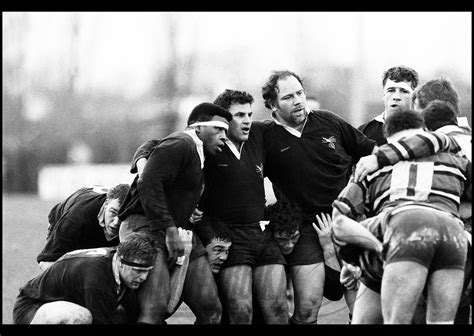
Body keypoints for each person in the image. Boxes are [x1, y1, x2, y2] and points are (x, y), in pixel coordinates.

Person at [131, 90, 289, 324]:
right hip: (199, 232)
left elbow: (290, 128)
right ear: (210, 124)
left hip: (245, 231)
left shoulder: (251, 135)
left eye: (250, 114)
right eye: (238, 115)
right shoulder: (192, 143)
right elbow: (155, 149)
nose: (246, 120)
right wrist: (143, 163)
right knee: (235, 311)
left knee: (258, 309)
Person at [258, 69, 376, 324]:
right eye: (288, 97)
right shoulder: (264, 136)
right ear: (272, 105)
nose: (298, 100)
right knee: (308, 307)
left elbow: (372, 151)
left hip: (347, 220)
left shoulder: (330, 122)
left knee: (362, 310)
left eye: (300, 93)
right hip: (305, 227)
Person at [331, 109, 471, 324]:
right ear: (424, 130)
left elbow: (340, 216)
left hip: (402, 227)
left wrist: (350, 261)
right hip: (451, 232)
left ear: (387, 139)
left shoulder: (370, 164)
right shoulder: (453, 156)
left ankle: (372, 253)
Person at [117, 102, 232, 324]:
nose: (224, 137)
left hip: (178, 230)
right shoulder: (182, 142)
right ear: (198, 127)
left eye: (226, 131)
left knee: (211, 310)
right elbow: (149, 181)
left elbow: (153, 146)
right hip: (146, 227)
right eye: (218, 129)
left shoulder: (198, 151)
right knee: (155, 308)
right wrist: (169, 230)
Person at [13, 232, 157, 324]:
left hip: (61, 304)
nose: (143, 277)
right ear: (121, 260)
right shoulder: (97, 278)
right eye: (138, 270)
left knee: (120, 315)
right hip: (32, 308)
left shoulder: (118, 261)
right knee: (81, 317)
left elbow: (135, 314)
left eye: (147, 271)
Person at [265, 200, 355, 322]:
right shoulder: (267, 247)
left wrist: (328, 246)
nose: (288, 245)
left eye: (294, 237)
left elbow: (335, 293)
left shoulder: (304, 243)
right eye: (282, 239)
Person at [37, 184, 130, 271]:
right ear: (106, 204)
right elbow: (45, 262)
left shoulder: (136, 220)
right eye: (113, 213)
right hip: (69, 218)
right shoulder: (77, 218)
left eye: (123, 216)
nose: (116, 222)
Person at [358, 65, 419, 146]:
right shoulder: (364, 132)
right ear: (384, 95)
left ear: (414, 97)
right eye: (391, 90)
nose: (396, 97)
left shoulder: (426, 131)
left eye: (404, 91)